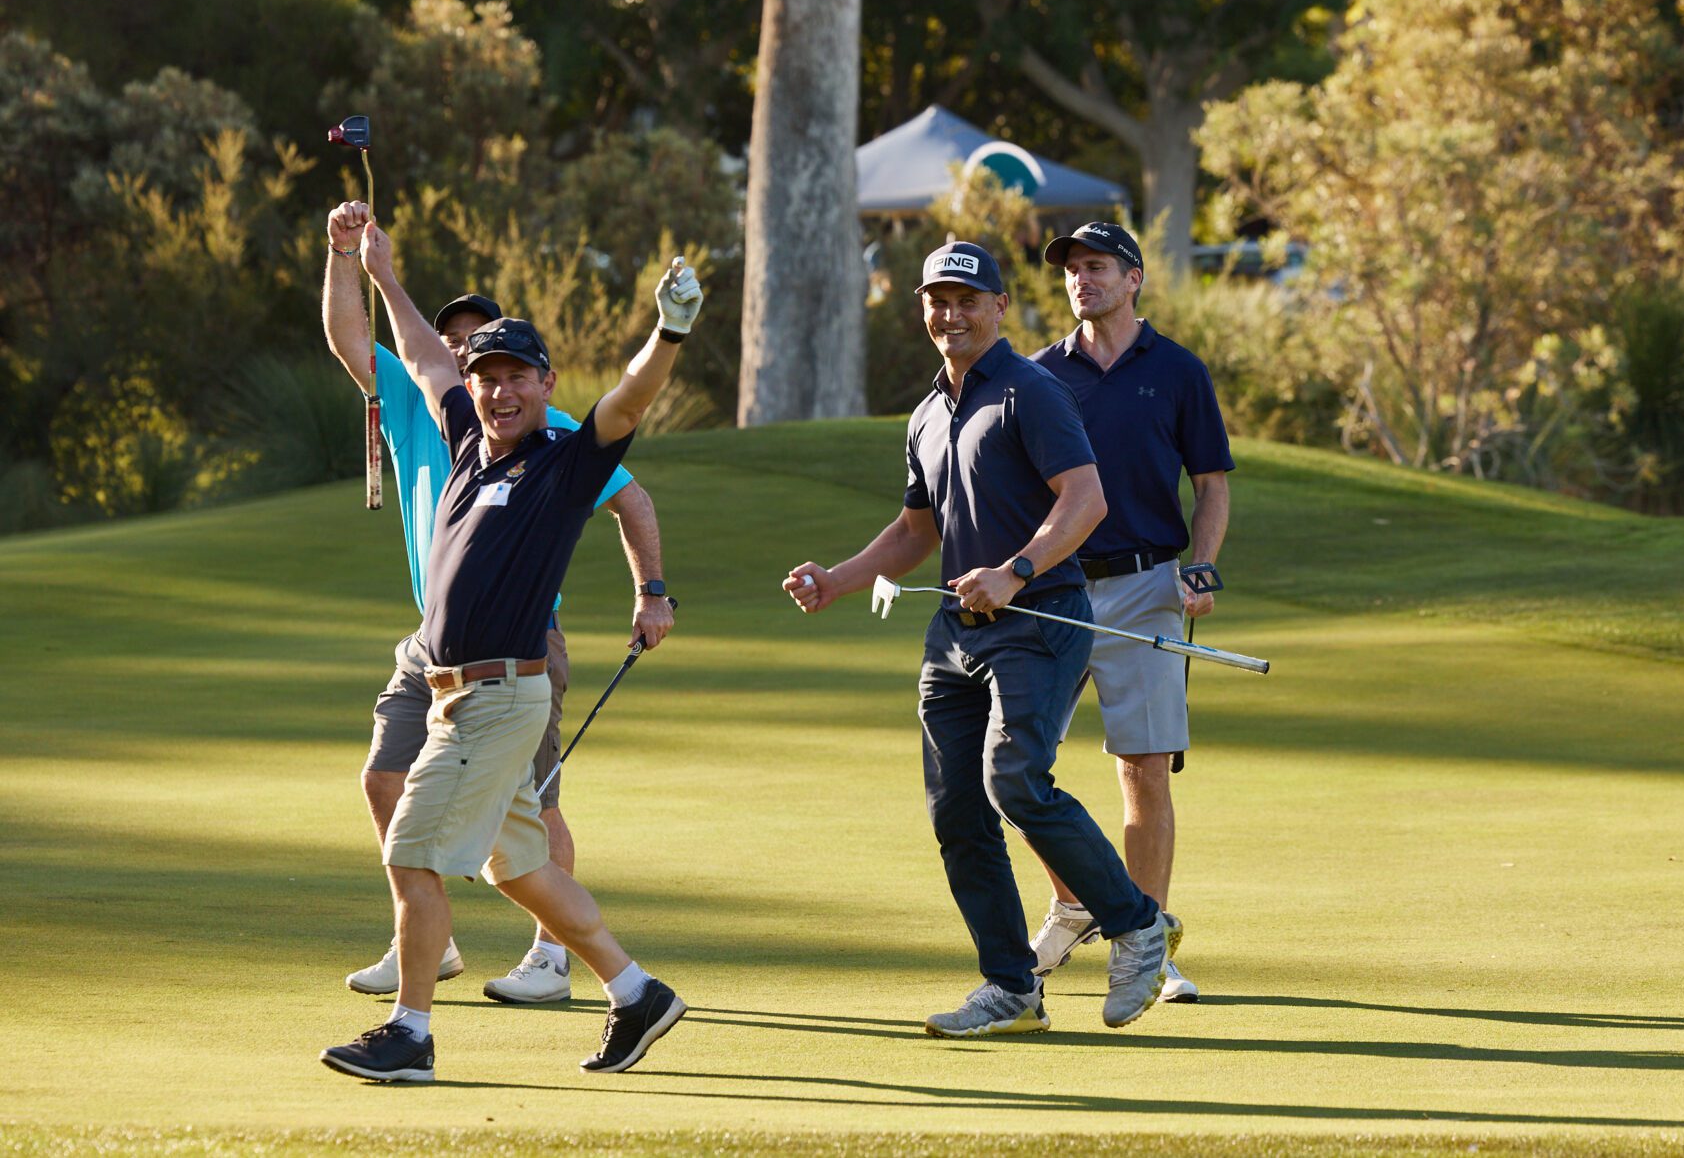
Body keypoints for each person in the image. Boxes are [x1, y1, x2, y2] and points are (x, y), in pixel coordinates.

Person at [318, 215, 701, 1082]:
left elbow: (630, 399)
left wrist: (669, 331)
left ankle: (410, 1034)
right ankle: (636, 992)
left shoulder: (564, 460)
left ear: (545, 383)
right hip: (457, 690)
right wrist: (381, 275)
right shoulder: (466, 443)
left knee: (411, 850)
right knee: (520, 865)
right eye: (486, 377)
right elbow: (424, 357)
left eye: (516, 377)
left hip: (494, 698)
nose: (499, 392)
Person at [782, 241, 1181, 1038]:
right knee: (957, 812)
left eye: (968, 300)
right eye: (938, 299)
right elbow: (914, 530)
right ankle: (1011, 986)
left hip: (1040, 620)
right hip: (954, 636)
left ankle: (1138, 922)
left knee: (1015, 780)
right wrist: (838, 578)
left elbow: (1086, 499)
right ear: (923, 308)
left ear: (999, 306)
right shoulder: (928, 413)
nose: (952, 314)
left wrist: (1016, 569)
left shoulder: (1032, 390)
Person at [1027, 221, 1232, 1004]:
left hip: (1147, 584)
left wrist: (1201, 563)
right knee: (1012, 765)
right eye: (1072, 269)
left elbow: (1210, 484)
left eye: (1097, 266)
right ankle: (1076, 901)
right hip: (1055, 588)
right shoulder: (1039, 374)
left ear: (1133, 277)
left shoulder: (1177, 370)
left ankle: (1147, 944)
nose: (1081, 279)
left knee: (1143, 768)